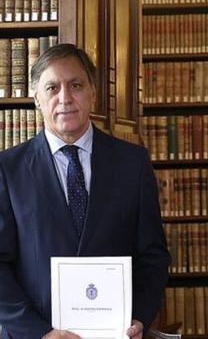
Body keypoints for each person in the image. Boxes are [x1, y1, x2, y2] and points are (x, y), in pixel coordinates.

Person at [0, 44, 170, 339]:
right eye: (52, 87)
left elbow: (152, 256)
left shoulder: (133, 162)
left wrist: (140, 316)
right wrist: (39, 332)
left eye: (76, 85)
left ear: (93, 91)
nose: (64, 98)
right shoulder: (7, 169)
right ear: (37, 99)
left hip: (116, 333)